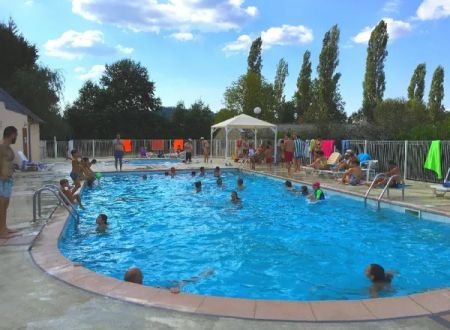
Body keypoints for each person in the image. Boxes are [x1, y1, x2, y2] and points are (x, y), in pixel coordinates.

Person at [0, 126, 19, 238]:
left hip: (8, 180)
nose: (16, 137)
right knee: (1, 205)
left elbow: (8, 163)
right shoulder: (1, 148)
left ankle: (4, 227)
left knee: (5, 205)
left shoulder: (9, 148)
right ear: (12, 134)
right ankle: (2, 231)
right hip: (2, 181)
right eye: (16, 135)